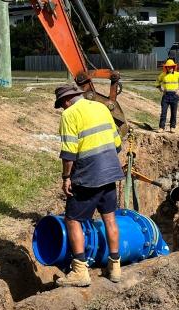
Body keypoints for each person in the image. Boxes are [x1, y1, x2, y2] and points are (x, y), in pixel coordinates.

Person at [54, 84, 124, 287]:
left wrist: (66, 177)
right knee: (110, 219)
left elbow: (68, 153)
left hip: (88, 175)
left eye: (62, 105)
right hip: (110, 172)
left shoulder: (69, 115)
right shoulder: (101, 107)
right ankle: (115, 267)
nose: (63, 109)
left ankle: (80, 271)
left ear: (66, 101)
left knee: (72, 219)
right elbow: (117, 143)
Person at [155, 59, 179, 133]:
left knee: (173, 113)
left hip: (174, 96)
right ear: (166, 67)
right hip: (166, 96)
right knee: (163, 112)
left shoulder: (177, 74)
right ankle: (161, 127)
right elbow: (157, 81)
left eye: (171, 67)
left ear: (174, 67)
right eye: (168, 67)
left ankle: (172, 127)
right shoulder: (163, 74)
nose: (170, 68)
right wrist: (160, 89)